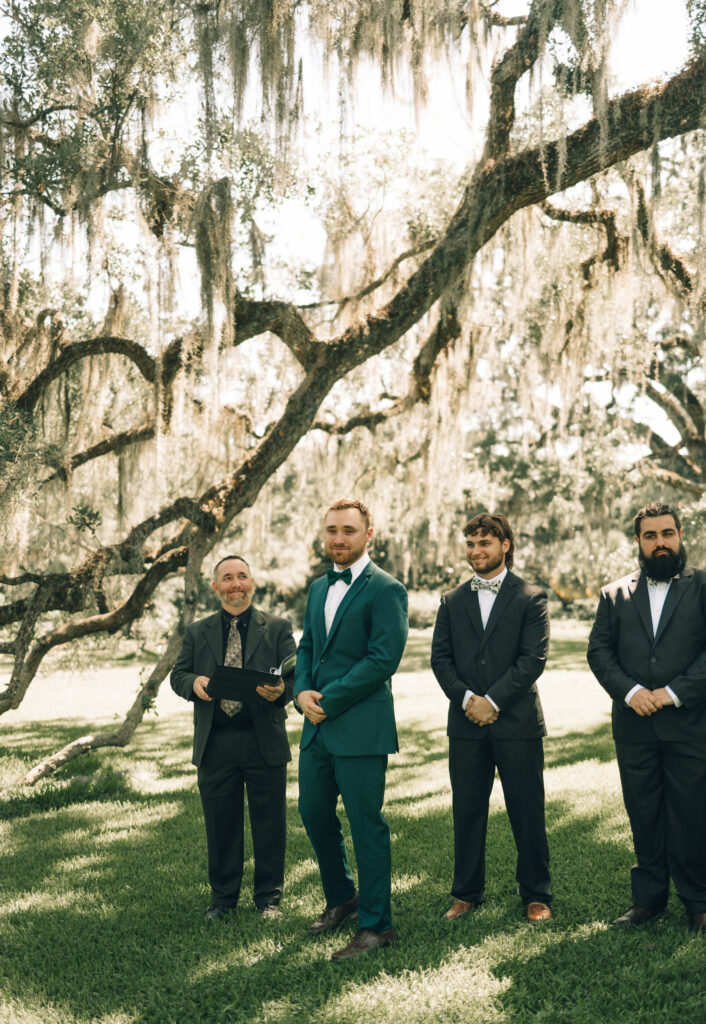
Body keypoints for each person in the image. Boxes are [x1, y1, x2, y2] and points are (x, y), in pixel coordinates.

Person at [294, 499, 408, 962]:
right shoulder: (319, 587)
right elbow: (307, 649)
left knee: (366, 825)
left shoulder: (387, 589)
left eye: (348, 530)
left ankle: (377, 925)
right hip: (316, 727)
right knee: (313, 812)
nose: (338, 539)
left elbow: (383, 659)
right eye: (331, 531)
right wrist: (301, 692)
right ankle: (342, 897)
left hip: (360, 726)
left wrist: (329, 700)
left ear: (369, 534)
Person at [587, 501, 706, 931]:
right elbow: (599, 652)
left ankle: (699, 902)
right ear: (638, 541)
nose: (661, 543)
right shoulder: (614, 593)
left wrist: (673, 693)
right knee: (644, 812)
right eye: (651, 536)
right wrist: (632, 692)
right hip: (634, 726)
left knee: (692, 813)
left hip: (690, 725)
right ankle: (648, 901)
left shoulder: (703, 586)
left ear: (680, 535)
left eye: (668, 534)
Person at [430, 512, 552, 922]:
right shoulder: (452, 600)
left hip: (516, 722)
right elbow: (440, 659)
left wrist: (492, 702)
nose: (476, 550)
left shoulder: (530, 597)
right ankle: (466, 892)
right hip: (465, 725)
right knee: (467, 810)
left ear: (505, 545)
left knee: (527, 810)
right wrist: (468, 700)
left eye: (485, 542)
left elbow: (532, 659)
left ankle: (536, 894)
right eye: (470, 543)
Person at [171, 555, 296, 921]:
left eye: (242, 576)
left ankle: (268, 900)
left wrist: (282, 692)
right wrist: (193, 683)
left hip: (262, 739)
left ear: (252, 583)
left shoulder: (277, 627)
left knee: (269, 822)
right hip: (216, 742)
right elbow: (179, 675)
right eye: (227, 578)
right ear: (215, 588)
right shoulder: (197, 631)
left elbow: (295, 676)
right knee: (220, 822)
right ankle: (223, 899)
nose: (235, 584)